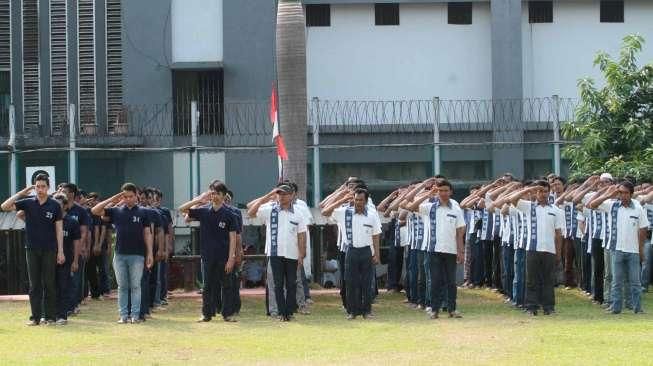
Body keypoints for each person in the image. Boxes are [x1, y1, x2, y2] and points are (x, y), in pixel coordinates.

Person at [1, 174, 65, 325]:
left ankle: (50, 317)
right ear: (34, 187)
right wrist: (22, 192)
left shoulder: (55, 205)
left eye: (43, 186)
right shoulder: (28, 203)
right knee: (34, 285)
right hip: (31, 248)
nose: (40, 189)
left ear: (48, 188)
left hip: (50, 249)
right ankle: (35, 318)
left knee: (49, 283)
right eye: (37, 186)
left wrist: (60, 251)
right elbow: (4, 206)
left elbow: (59, 229)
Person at [494, 180, 564, 316]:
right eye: (539, 191)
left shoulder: (555, 210)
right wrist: (528, 189)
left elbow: (558, 234)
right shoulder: (528, 207)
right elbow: (510, 199)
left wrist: (558, 252)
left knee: (548, 280)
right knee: (531, 280)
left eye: (545, 191)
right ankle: (531, 307)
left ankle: (548, 307)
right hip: (532, 248)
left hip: (549, 249)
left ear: (549, 192)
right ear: (535, 193)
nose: (542, 194)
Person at [92, 183, 153, 324]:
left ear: (136, 196)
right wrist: (113, 199)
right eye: (125, 196)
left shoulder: (143, 212)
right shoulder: (116, 211)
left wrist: (149, 253)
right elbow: (95, 211)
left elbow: (147, 233)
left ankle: (135, 315)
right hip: (119, 255)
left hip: (138, 255)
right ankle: (123, 315)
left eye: (131, 196)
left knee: (136, 286)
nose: (128, 199)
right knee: (122, 286)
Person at [406, 179, 466, 319]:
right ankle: (434, 309)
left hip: (450, 250)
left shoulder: (456, 209)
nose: (443, 193)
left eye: (446, 190)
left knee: (451, 281)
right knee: (435, 281)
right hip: (433, 250)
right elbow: (411, 207)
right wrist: (428, 195)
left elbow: (460, 232)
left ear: (450, 192)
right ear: (437, 192)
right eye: (440, 191)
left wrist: (461, 251)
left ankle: (452, 309)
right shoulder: (430, 207)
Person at [180, 180, 238, 322]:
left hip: (224, 257)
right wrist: (199, 200)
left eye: (217, 193)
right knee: (207, 287)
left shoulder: (230, 215)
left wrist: (231, 258)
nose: (214, 196)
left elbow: (233, 239)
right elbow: (182, 209)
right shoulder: (204, 211)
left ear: (224, 196)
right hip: (207, 256)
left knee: (227, 286)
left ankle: (227, 314)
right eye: (212, 193)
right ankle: (206, 314)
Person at [248, 183, 307, 322]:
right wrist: (268, 196)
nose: (282, 197)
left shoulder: (298, 213)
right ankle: (282, 312)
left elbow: (302, 235)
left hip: (292, 254)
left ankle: (289, 311)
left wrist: (301, 254)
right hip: (275, 253)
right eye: (280, 194)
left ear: (292, 195)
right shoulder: (269, 209)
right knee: (278, 284)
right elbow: (251, 212)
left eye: (285, 194)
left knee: (292, 283)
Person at [588, 181, 649, 314]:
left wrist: (640, 249)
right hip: (616, 249)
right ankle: (616, 308)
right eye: (620, 192)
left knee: (635, 282)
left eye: (626, 193)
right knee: (616, 281)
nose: (622, 195)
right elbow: (592, 205)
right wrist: (609, 194)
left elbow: (643, 228)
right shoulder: (612, 205)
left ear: (631, 194)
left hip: (633, 250)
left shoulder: (637, 207)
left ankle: (638, 308)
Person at [322, 188, 381, 319]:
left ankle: (367, 311)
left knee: (366, 283)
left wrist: (377, 254)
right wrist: (342, 199)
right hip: (351, 250)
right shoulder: (345, 213)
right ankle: (353, 312)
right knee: (351, 283)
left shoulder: (372, 215)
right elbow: (325, 212)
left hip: (367, 250)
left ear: (366, 201)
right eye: (356, 199)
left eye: (361, 200)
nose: (358, 202)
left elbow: (376, 235)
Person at [52, 193, 81, 325]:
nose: (56, 207)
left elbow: (77, 243)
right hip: (50, 259)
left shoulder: (72, 222)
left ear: (65, 206)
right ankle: (49, 314)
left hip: (66, 260)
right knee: (50, 286)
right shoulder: (49, 220)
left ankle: (62, 315)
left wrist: (75, 261)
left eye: (59, 204)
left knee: (63, 286)